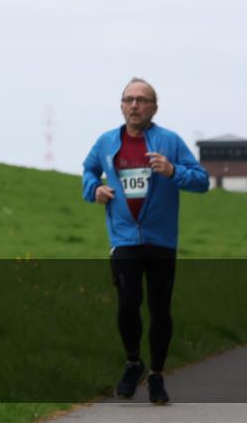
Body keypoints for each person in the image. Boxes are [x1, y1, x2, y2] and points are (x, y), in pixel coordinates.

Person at [81, 78, 209, 405]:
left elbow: (202, 181)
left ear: (154, 107)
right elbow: (89, 171)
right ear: (121, 105)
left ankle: (157, 374)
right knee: (127, 303)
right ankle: (133, 362)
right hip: (124, 237)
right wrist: (95, 189)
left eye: (142, 100)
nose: (134, 105)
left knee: (159, 308)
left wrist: (173, 171)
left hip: (161, 239)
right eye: (129, 99)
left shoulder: (170, 141)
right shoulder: (107, 142)